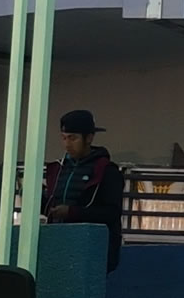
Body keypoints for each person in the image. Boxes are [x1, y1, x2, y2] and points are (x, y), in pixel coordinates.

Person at [42, 110, 125, 274]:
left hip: (91, 250)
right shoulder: (57, 169)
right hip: (58, 246)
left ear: (89, 138)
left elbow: (112, 213)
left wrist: (72, 212)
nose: (67, 144)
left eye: (73, 138)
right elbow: (50, 205)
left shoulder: (107, 171)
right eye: (64, 138)